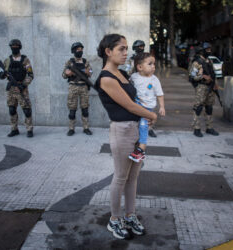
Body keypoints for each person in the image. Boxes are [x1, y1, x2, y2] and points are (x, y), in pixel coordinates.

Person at [95, 34, 157, 240]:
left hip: (137, 129)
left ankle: (130, 215)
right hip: (121, 131)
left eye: (126, 48)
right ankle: (114, 219)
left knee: (133, 178)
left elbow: (138, 97)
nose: (126, 52)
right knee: (121, 177)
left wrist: (145, 119)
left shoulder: (123, 73)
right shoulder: (106, 78)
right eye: (121, 49)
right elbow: (129, 105)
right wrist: (151, 115)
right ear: (108, 51)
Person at [128, 52, 165, 162]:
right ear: (139, 67)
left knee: (144, 126)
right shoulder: (134, 77)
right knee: (134, 125)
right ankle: (133, 142)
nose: (153, 66)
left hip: (147, 108)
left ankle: (141, 151)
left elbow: (160, 94)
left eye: (154, 64)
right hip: (136, 105)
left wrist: (162, 106)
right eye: (150, 64)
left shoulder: (154, 80)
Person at [0, 39, 34, 137]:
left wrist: (23, 85)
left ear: (20, 47)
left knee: (27, 110)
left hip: (22, 88)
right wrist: (2, 75)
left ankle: (29, 129)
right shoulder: (7, 60)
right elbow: (4, 74)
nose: (14, 48)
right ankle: (14, 129)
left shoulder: (25, 60)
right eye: (12, 46)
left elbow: (30, 75)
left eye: (16, 46)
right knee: (12, 109)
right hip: (11, 88)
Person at [189, 42, 219, 137]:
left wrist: (215, 84)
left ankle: (209, 127)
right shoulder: (197, 62)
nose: (209, 51)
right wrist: (202, 76)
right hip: (201, 87)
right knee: (198, 107)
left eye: (210, 49)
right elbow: (192, 76)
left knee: (209, 107)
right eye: (207, 50)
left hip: (210, 87)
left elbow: (213, 74)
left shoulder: (209, 61)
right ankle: (196, 128)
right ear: (202, 51)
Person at [62, 42, 93, 136]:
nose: (80, 51)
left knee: (85, 109)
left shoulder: (85, 62)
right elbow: (63, 75)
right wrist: (67, 73)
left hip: (83, 87)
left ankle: (86, 127)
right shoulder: (69, 62)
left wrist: (89, 72)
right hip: (73, 87)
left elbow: (91, 71)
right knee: (72, 110)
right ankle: (71, 128)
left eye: (81, 49)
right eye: (77, 49)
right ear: (73, 51)